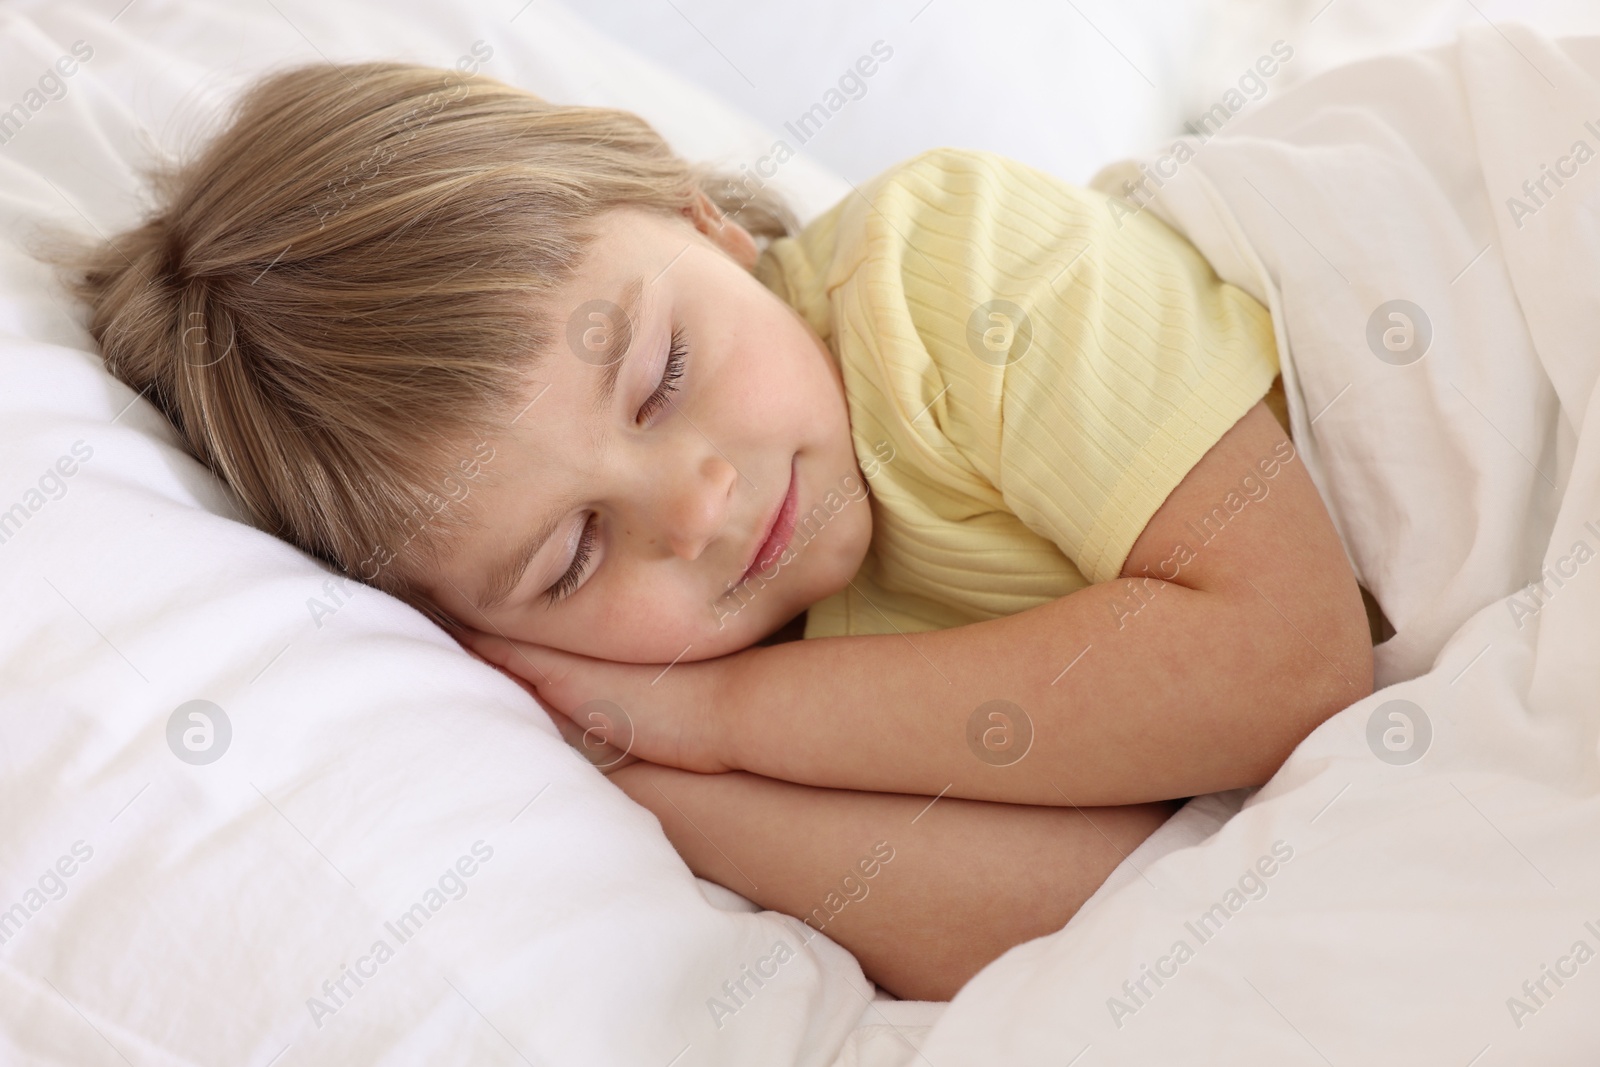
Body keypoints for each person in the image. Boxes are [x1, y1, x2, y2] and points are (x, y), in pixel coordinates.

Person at [48, 61, 1374, 1000]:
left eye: (661, 375)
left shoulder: (948, 274)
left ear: (703, 221)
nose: (692, 506)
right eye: (569, 559)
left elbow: (1286, 660)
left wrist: (731, 718)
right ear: (482, 635)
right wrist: (645, 772)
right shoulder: (757, 683)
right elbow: (1129, 910)